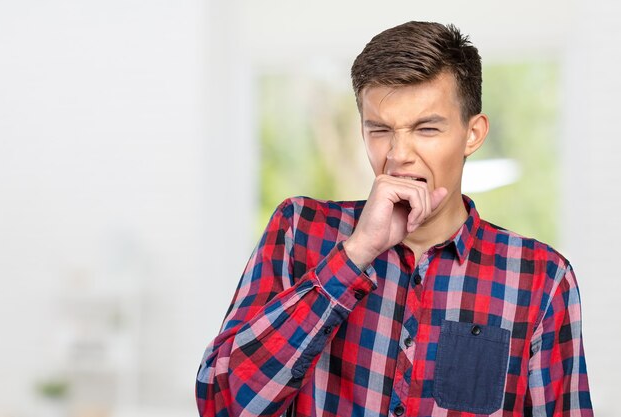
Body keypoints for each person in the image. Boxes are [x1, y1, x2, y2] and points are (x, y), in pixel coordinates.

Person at [196, 21, 593, 417]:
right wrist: (354, 255)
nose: (398, 154)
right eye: (380, 130)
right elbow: (222, 404)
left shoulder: (541, 278)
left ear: (472, 134)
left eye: (426, 128)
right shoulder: (298, 230)